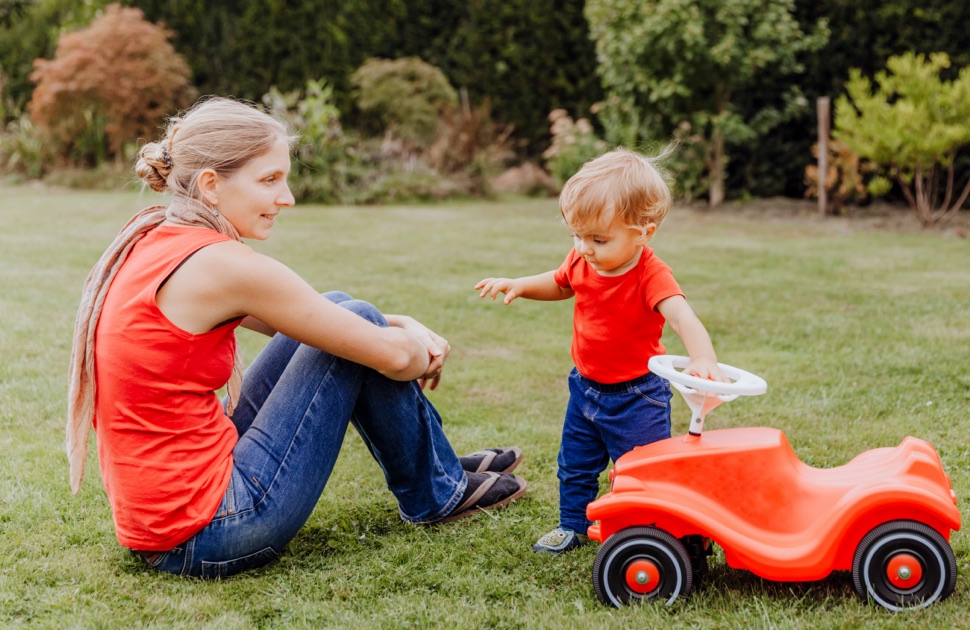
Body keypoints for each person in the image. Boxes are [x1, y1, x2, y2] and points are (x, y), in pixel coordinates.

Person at [65, 96, 527, 579]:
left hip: (162, 519)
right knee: (359, 325)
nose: (286, 198)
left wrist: (401, 324)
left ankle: (436, 466)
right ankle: (436, 490)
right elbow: (392, 358)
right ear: (211, 186)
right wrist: (419, 345)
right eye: (269, 180)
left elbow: (313, 316)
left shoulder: (157, 238)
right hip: (208, 530)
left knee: (345, 306)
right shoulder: (223, 266)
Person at [474, 148, 725, 555]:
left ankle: (655, 532)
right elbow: (559, 283)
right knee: (574, 465)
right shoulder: (583, 260)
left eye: (598, 239)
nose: (584, 248)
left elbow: (682, 316)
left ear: (643, 233)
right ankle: (572, 525)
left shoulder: (650, 274)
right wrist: (519, 283)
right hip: (585, 389)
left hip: (637, 397)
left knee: (643, 472)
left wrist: (703, 358)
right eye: (577, 235)